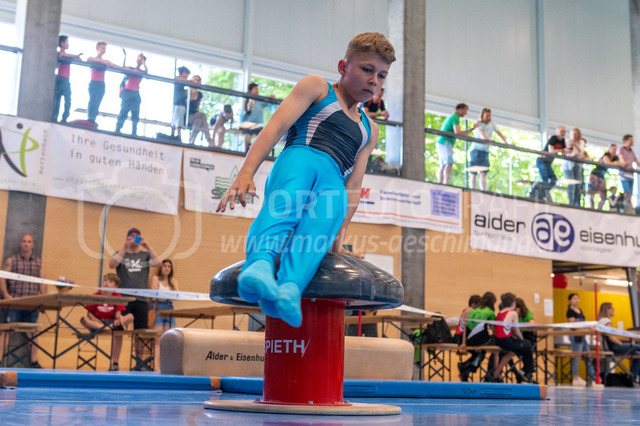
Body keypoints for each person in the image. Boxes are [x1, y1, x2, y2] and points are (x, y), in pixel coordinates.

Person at [216, 32, 395, 327]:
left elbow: (353, 187)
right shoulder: (317, 87)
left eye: (382, 75)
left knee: (319, 229)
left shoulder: (370, 129)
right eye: (367, 69)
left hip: (334, 181)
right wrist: (246, 172)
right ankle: (259, 265)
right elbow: (275, 128)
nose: (374, 80)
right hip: (300, 158)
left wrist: (339, 237)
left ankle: (289, 288)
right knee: (283, 208)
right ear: (343, 67)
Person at [108, 227, 161, 367]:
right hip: (123, 299)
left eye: (136, 236)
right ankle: (115, 362)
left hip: (141, 299)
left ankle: (139, 362)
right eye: (131, 236)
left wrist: (147, 246)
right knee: (118, 330)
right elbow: (112, 265)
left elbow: (159, 264)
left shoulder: (145, 255)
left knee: (140, 332)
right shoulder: (120, 253)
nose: (133, 238)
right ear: (126, 238)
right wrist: (124, 247)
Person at [0, 233, 46, 368]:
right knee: (6, 331)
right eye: (24, 241)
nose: (26, 244)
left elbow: (43, 281)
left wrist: (44, 300)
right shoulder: (12, 260)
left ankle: (34, 361)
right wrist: (6, 294)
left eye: (29, 242)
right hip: (15, 302)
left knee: (33, 332)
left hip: (31, 304)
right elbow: (2, 277)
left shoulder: (39, 262)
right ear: (20, 243)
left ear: (33, 244)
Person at [80, 273, 134, 371]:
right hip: (98, 323)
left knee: (130, 317)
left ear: (115, 287)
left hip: (112, 322)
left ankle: (115, 363)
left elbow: (118, 315)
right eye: (105, 281)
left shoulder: (117, 296)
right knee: (83, 320)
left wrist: (121, 320)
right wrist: (97, 321)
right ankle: (106, 328)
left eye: (110, 282)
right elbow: (89, 314)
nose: (106, 283)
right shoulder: (96, 295)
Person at [490, 293, 534, 383]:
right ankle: (527, 372)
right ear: (514, 303)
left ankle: (496, 374)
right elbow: (517, 330)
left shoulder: (499, 313)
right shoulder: (513, 313)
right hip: (507, 341)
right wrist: (522, 340)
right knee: (528, 344)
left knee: (511, 352)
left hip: (499, 340)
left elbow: (499, 328)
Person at [598, 302, 640, 385]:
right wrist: (620, 344)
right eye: (612, 308)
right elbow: (610, 336)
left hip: (608, 347)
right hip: (614, 347)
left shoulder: (600, 321)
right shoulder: (606, 320)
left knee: (638, 354)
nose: (614, 310)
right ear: (607, 309)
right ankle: (633, 377)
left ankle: (633, 377)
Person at [458, 292, 496, 382]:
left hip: (468, 340)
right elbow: (494, 331)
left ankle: (465, 368)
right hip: (479, 340)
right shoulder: (490, 312)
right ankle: (467, 367)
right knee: (485, 351)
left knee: (479, 353)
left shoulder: (473, 310)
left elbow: (465, 328)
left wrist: (464, 343)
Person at [436, 103, 477, 185]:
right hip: (445, 142)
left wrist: (471, 129)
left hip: (442, 142)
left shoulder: (452, 117)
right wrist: (471, 130)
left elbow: (458, 133)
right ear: (460, 110)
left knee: (443, 165)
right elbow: (458, 132)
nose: (466, 113)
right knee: (449, 163)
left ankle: (441, 183)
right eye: (465, 110)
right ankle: (446, 183)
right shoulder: (455, 118)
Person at [150, 259, 179, 369]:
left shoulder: (173, 281)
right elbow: (154, 293)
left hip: (170, 308)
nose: (166, 268)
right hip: (159, 308)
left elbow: (176, 296)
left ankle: (168, 365)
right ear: (161, 268)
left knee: (170, 338)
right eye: (164, 266)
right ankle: (156, 366)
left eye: (169, 266)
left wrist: (165, 295)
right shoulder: (156, 278)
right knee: (158, 339)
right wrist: (167, 296)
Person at [469, 107, 507, 191]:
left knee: (483, 173)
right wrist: (488, 140)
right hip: (476, 150)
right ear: (482, 116)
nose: (488, 118)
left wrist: (505, 142)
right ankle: (472, 190)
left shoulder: (492, 124)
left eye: (489, 116)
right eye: (487, 116)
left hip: (485, 151)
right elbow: (481, 134)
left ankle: (483, 190)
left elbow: (499, 133)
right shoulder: (478, 123)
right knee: (474, 172)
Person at [566, 293, 595, 386]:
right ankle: (575, 377)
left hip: (583, 335)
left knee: (588, 355)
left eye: (578, 298)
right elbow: (574, 325)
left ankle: (593, 377)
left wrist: (591, 328)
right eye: (574, 298)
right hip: (576, 336)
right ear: (570, 300)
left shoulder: (580, 310)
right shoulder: (570, 311)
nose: (576, 300)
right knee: (577, 356)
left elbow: (584, 322)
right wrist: (585, 330)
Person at [115, 52, 148, 136]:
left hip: (135, 93)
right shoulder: (130, 68)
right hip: (127, 93)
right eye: (139, 58)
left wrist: (144, 63)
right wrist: (125, 56)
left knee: (135, 114)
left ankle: (134, 132)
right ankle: (118, 129)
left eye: (141, 59)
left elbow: (146, 72)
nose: (139, 60)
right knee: (123, 112)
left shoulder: (141, 72)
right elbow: (123, 68)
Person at [87, 41, 118, 124]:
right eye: (102, 48)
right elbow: (89, 59)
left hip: (101, 84)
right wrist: (103, 62)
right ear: (97, 49)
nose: (104, 50)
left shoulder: (105, 61)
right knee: (92, 101)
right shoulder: (94, 59)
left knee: (97, 102)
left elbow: (113, 65)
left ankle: (93, 119)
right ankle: (90, 118)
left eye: (105, 48)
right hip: (94, 83)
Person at [53, 35, 82, 123]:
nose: (68, 44)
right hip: (60, 78)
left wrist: (76, 57)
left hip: (66, 79)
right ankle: (55, 117)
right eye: (67, 42)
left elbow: (77, 60)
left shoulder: (67, 55)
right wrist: (75, 56)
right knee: (57, 101)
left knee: (67, 100)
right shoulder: (60, 53)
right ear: (62, 43)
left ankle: (64, 118)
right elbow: (62, 55)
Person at [239, 82, 276, 152]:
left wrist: (272, 100)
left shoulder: (260, 101)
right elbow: (242, 117)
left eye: (257, 89)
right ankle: (246, 150)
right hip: (248, 126)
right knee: (246, 139)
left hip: (258, 126)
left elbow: (271, 106)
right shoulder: (246, 100)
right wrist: (248, 109)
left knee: (263, 139)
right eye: (255, 89)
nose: (257, 90)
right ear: (250, 90)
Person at [562, 128, 589, 206]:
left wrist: (574, 146)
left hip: (578, 165)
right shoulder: (567, 142)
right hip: (569, 166)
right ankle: (571, 203)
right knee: (572, 184)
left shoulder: (581, 142)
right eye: (573, 134)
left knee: (578, 185)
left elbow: (581, 152)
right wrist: (576, 154)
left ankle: (575, 203)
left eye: (576, 134)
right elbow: (567, 153)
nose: (574, 136)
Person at [588, 144, 619, 210]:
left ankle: (599, 209)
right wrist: (616, 163)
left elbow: (621, 163)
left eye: (615, 149)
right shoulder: (606, 156)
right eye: (613, 149)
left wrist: (616, 163)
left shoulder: (614, 158)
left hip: (601, 176)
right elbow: (608, 163)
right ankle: (591, 208)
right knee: (592, 193)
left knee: (604, 195)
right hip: (595, 174)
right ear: (609, 150)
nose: (614, 151)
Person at [186, 75, 214, 146]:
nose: (196, 81)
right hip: (187, 117)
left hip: (195, 116)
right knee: (203, 115)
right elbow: (186, 103)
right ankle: (209, 140)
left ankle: (191, 142)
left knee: (198, 121)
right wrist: (191, 92)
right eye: (194, 79)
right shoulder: (187, 91)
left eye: (198, 80)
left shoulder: (200, 95)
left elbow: (197, 107)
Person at [617, 134, 639, 208]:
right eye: (631, 140)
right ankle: (626, 208)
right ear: (626, 141)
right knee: (627, 192)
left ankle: (628, 207)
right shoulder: (621, 149)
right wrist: (626, 164)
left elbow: (637, 162)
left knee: (630, 193)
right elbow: (622, 160)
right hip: (624, 174)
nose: (632, 141)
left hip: (631, 175)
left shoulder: (632, 152)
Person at [171, 66, 191, 139]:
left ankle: (174, 136)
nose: (187, 76)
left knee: (176, 119)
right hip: (178, 103)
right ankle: (178, 137)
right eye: (187, 74)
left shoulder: (181, 82)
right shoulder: (178, 79)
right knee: (177, 121)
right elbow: (177, 79)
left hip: (179, 102)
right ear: (184, 73)